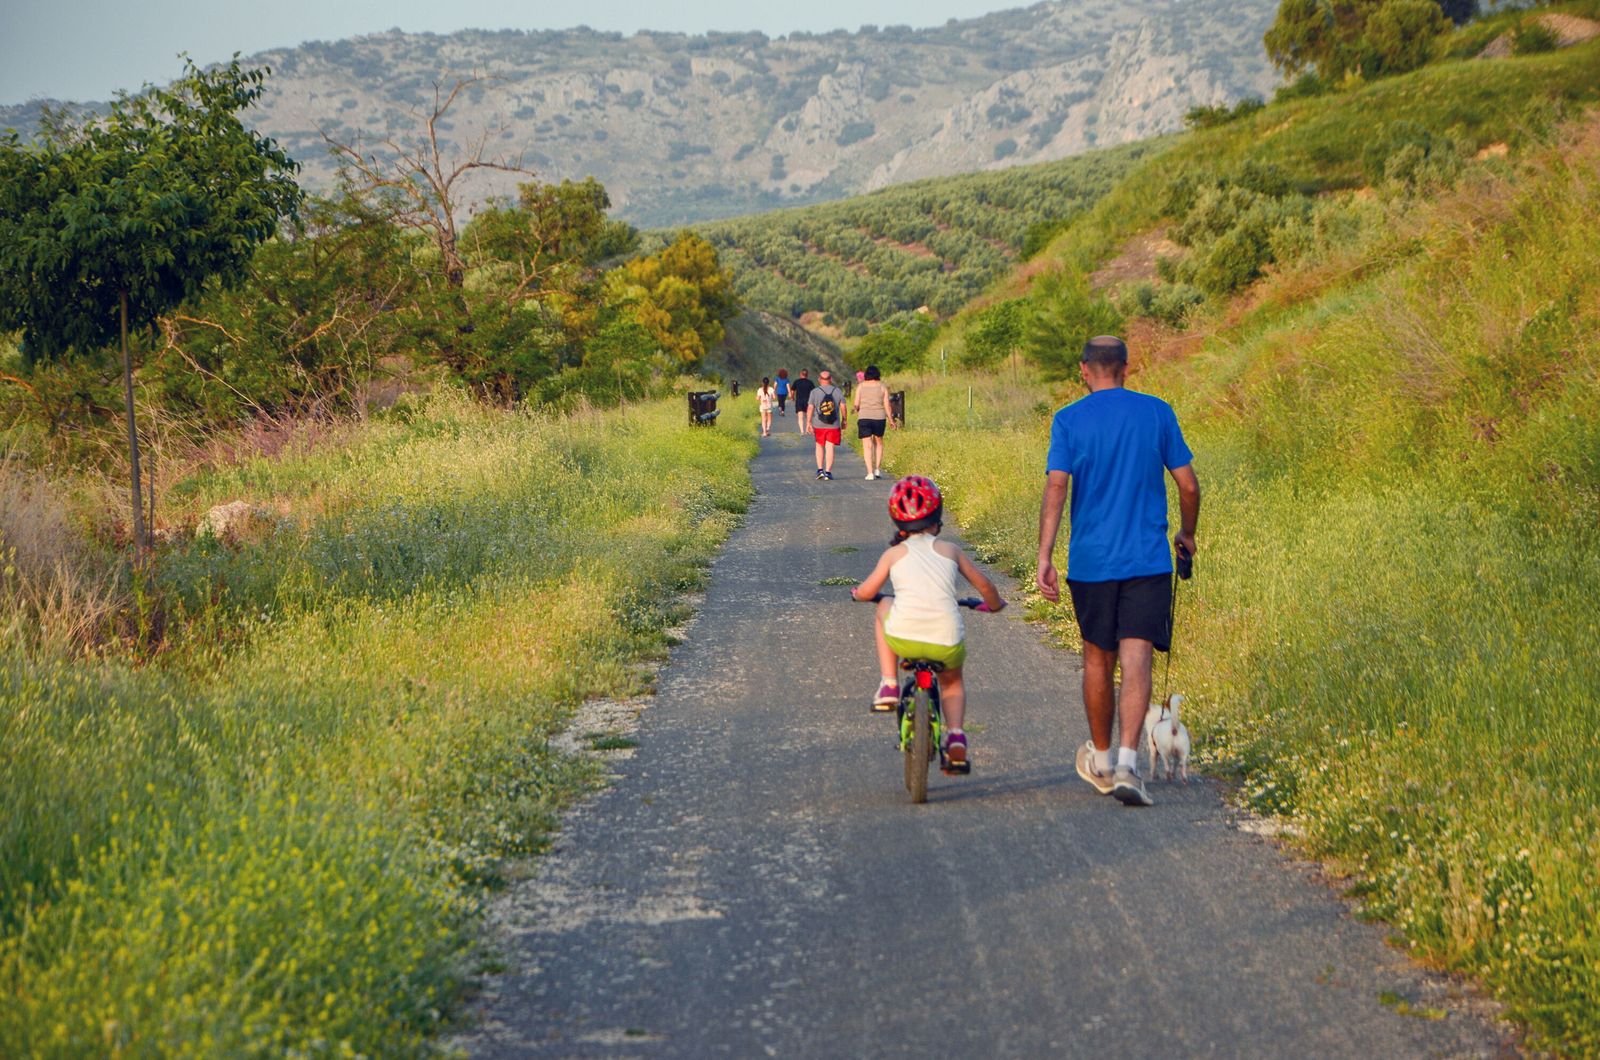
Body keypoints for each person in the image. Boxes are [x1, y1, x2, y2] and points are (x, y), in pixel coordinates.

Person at [1036, 336, 1200, 808]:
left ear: (1084, 371)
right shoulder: (1157, 412)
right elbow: (1188, 485)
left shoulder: (1068, 420)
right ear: (1126, 368)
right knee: (1137, 659)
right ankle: (1130, 763)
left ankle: (1103, 761)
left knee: (1096, 660)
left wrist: (1045, 554)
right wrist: (1187, 534)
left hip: (1091, 561)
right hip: (1147, 560)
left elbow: (1056, 487)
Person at [852, 476, 1006, 773]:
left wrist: (858, 594)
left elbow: (869, 592)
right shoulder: (951, 551)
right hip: (945, 640)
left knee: (885, 603)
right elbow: (985, 586)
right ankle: (956, 736)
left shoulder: (893, 554)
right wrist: (995, 605)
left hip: (904, 638)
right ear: (938, 520)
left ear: (898, 524)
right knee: (952, 683)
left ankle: (889, 684)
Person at [853, 364, 891, 480]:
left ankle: (870, 472)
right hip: (879, 418)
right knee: (878, 443)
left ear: (866, 375)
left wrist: (856, 409)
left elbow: (856, 404)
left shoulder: (861, 386)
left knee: (867, 445)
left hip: (864, 417)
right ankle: (877, 469)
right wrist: (891, 419)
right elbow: (887, 404)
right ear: (877, 374)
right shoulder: (882, 387)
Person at [808, 370, 846, 480]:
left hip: (818, 424)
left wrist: (808, 422)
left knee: (819, 445)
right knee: (830, 447)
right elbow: (843, 406)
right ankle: (828, 472)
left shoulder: (814, 392)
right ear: (830, 379)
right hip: (833, 424)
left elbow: (810, 407)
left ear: (819, 379)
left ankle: (820, 470)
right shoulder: (837, 391)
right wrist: (844, 420)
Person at [791, 369, 815, 434]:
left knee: (800, 416)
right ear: (807, 375)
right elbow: (814, 392)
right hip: (808, 401)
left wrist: (792, 397)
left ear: (800, 374)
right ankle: (807, 429)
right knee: (808, 416)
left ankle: (802, 431)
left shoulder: (797, 382)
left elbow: (792, 391)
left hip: (799, 401)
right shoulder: (810, 382)